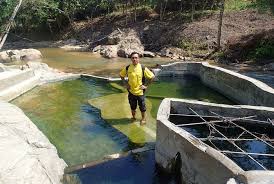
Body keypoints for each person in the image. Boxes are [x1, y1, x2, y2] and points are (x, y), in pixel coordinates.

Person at [120, 52, 155, 125]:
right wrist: (125, 84)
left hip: (140, 92)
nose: (134, 59)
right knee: (132, 106)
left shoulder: (143, 68)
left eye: (136, 58)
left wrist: (146, 85)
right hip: (131, 92)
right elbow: (121, 75)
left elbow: (152, 77)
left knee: (142, 107)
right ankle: (133, 117)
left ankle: (143, 119)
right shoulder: (128, 67)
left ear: (138, 59)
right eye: (133, 58)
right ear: (131, 59)